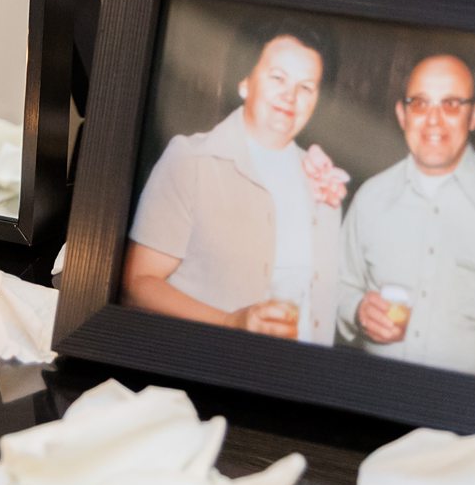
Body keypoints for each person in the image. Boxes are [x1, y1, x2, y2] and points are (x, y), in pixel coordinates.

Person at [339, 55, 475, 382]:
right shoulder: (370, 198)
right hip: (374, 397)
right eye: (421, 104)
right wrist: (357, 309)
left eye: (452, 104)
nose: (434, 120)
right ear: (402, 114)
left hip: (474, 418)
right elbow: (339, 286)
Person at [124, 28, 349, 343]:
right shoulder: (191, 160)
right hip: (205, 371)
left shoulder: (326, 180)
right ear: (245, 82)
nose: (291, 96)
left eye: (306, 87)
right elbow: (138, 285)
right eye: (278, 78)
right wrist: (229, 321)